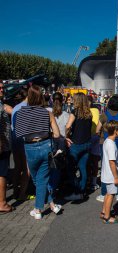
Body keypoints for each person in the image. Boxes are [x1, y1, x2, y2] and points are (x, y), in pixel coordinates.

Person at [14, 85, 62, 219]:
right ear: (41, 97)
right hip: (46, 145)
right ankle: (51, 204)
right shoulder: (47, 112)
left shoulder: (20, 113)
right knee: (40, 179)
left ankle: (38, 209)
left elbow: (19, 133)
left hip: (30, 147)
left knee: (37, 179)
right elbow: (57, 134)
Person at [96, 95, 118, 201]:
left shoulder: (104, 115)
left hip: (105, 143)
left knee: (106, 168)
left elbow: (97, 130)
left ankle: (104, 193)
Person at [65, 93, 92, 201]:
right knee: (83, 168)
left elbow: (67, 126)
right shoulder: (89, 113)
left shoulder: (74, 112)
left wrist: (66, 136)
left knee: (70, 169)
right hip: (87, 143)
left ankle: (77, 190)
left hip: (76, 144)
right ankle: (82, 190)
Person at [100, 120, 118, 224]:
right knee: (111, 195)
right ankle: (107, 217)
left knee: (107, 194)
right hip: (111, 175)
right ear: (116, 131)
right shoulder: (111, 145)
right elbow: (112, 162)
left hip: (106, 174)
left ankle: (104, 212)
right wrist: (116, 177)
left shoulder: (106, 141)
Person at [11, 87, 29, 200]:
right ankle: (22, 194)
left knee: (17, 167)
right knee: (26, 169)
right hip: (23, 140)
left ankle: (14, 191)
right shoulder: (26, 108)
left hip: (15, 139)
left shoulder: (16, 107)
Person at [0, 81, 13, 213]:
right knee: (2, 174)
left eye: (3, 88)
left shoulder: (2, 104)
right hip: (2, 146)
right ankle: (2, 203)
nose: (2, 90)